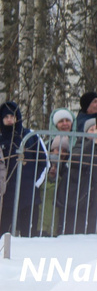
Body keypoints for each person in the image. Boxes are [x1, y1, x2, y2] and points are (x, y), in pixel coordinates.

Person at [0, 100, 50, 236]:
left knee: (28, 233)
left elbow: (44, 161)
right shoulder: (1, 139)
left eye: (12, 117)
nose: (10, 120)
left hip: (29, 194)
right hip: (6, 195)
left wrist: (36, 184)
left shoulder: (30, 136)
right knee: (4, 233)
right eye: (6, 117)